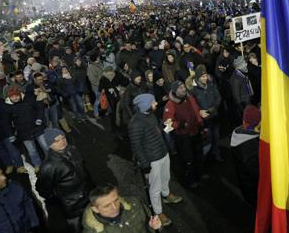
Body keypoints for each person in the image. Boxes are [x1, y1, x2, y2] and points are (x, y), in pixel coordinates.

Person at [128, 94, 182, 228]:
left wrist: (167, 125)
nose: (156, 103)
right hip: (152, 160)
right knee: (154, 187)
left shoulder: (150, 115)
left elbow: (157, 129)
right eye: (153, 102)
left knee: (166, 178)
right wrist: (145, 164)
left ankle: (167, 194)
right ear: (146, 105)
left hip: (162, 153)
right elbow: (136, 146)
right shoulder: (135, 123)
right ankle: (158, 212)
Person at [36, 128, 94, 232]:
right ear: (49, 144)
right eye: (56, 141)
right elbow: (43, 190)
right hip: (74, 208)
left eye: (63, 138)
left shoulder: (72, 149)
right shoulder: (49, 166)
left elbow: (84, 170)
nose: (62, 142)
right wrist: (61, 198)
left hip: (89, 197)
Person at [162, 81, 205, 188]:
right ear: (175, 91)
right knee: (188, 159)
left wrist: (201, 124)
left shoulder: (189, 98)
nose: (184, 89)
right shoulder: (170, 104)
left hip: (195, 132)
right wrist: (180, 124)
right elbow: (167, 125)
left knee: (198, 155)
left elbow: (196, 111)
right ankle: (191, 180)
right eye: (180, 88)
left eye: (184, 87)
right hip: (183, 136)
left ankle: (200, 174)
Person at [82, 183, 162, 232]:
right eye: (107, 205)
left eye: (116, 200)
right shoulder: (93, 231)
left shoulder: (135, 203)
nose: (114, 207)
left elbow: (151, 224)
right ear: (95, 209)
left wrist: (154, 227)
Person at [4, 86, 48, 172]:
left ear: (20, 95)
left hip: (37, 128)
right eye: (12, 96)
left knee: (45, 146)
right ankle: (37, 165)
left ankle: (52, 161)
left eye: (16, 95)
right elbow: (7, 123)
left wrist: (39, 119)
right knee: (32, 151)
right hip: (23, 132)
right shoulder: (8, 108)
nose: (15, 98)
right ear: (9, 97)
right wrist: (11, 134)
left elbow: (39, 108)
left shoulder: (29, 99)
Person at [191, 65, 223, 161]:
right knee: (208, 139)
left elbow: (219, 98)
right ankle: (206, 157)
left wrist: (213, 108)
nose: (205, 78)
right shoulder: (194, 91)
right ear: (198, 78)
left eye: (205, 76)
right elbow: (193, 105)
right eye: (203, 76)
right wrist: (199, 111)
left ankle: (216, 153)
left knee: (216, 137)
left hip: (214, 116)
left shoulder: (211, 85)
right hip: (205, 120)